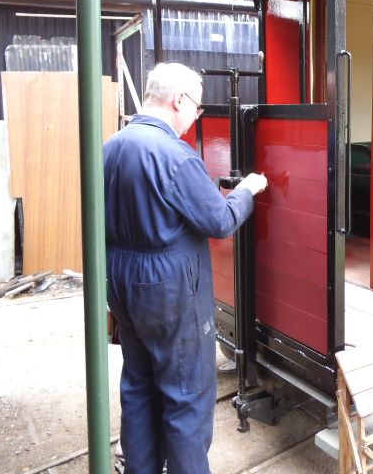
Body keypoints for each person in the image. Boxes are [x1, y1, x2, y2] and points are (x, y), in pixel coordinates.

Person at [104, 62, 267, 474]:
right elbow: (219, 221)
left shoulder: (112, 146)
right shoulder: (174, 154)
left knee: (139, 385)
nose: (198, 116)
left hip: (121, 282)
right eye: (196, 106)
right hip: (168, 289)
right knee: (186, 395)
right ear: (178, 100)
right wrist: (247, 190)